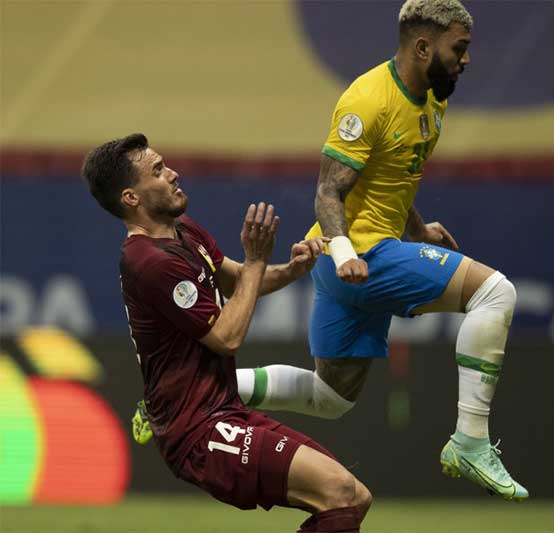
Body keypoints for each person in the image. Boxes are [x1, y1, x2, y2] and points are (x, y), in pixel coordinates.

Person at [237, 0, 528, 500]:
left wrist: (417, 228)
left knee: (330, 398)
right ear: (422, 46)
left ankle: (188, 389)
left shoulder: (433, 97)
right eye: (458, 49)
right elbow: (329, 190)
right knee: (496, 294)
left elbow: (396, 174)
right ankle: (470, 440)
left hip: (357, 260)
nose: (466, 59)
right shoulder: (367, 99)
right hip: (358, 257)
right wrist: (347, 250)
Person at [83, 133, 371, 532]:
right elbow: (226, 337)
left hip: (225, 411)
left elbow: (237, 280)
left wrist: (287, 270)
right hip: (197, 432)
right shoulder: (148, 261)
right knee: (337, 490)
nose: (173, 173)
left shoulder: (183, 231)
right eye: (158, 170)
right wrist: (256, 260)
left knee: (354, 497)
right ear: (131, 198)